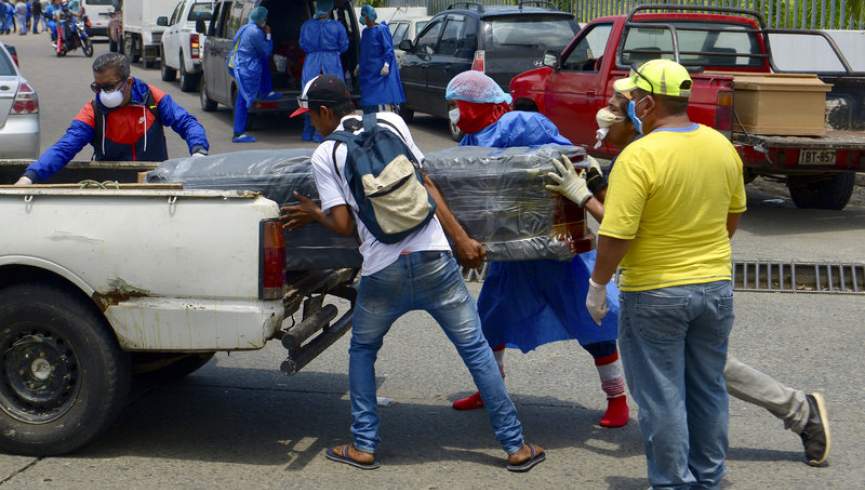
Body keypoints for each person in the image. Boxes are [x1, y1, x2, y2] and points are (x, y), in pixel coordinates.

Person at [281, 74, 545, 472]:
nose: (310, 124)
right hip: (435, 259)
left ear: (324, 112)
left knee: (363, 352)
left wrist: (313, 214)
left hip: (382, 270)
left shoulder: (325, 155)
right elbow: (426, 184)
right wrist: (461, 240)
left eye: (310, 116)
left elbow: (343, 226)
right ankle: (516, 447)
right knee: (475, 351)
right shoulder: (392, 122)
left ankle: (364, 446)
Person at [576, 90, 831, 468]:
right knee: (705, 371)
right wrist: (594, 188)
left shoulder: (649, 152)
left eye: (614, 109)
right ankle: (790, 414)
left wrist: (583, 199)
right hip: (702, 281)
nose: (604, 116)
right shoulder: (666, 144)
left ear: (639, 109)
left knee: (685, 378)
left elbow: (623, 228)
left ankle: (685, 468)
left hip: (666, 283)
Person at [586, 59, 745, 488]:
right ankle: (710, 480)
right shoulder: (720, 146)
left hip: (654, 293)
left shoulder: (638, 156)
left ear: (650, 103)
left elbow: (617, 234)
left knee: (662, 398)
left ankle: (673, 483)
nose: (628, 106)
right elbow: (730, 220)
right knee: (708, 389)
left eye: (633, 99)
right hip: (714, 289)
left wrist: (598, 284)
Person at [443, 71, 630, 429]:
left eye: (457, 105)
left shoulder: (518, 123)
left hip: (554, 244)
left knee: (591, 322)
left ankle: (617, 397)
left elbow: (565, 153)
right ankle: (490, 388)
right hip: (510, 249)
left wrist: (586, 181)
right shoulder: (471, 137)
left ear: (477, 103)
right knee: (491, 319)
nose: (454, 113)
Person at [14, 53, 209, 185]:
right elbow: (65, 147)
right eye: (97, 87)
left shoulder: (153, 99)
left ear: (129, 82)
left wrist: (199, 152)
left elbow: (187, 123)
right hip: (110, 186)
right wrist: (29, 177)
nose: (102, 93)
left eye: (109, 86)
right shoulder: (93, 111)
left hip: (155, 182)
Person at [227, 6, 280, 144]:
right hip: (247, 67)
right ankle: (238, 133)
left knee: (242, 96)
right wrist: (268, 35)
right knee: (242, 99)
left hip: (240, 64)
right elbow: (266, 51)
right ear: (261, 19)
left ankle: (265, 92)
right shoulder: (255, 32)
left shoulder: (244, 28)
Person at [298, 0, 348, 141]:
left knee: (309, 95)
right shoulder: (337, 27)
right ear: (329, 9)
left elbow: (302, 44)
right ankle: (323, 132)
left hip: (311, 62)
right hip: (331, 61)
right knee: (331, 95)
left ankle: (307, 131)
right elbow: (344, 46)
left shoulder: (306, 26)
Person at [357, 4, 404, 114]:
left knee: (381, 99)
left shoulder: (381, 30)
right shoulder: (365, 32)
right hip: (367, 74)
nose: (362, 18)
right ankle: (370, 124)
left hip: (379, 73)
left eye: (363, 15)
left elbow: (388, 50)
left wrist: (386, 65)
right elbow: (364, 51)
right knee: (368, 102)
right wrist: (360, 65)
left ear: (369, 17)